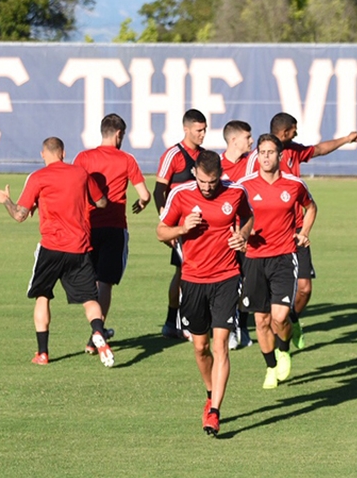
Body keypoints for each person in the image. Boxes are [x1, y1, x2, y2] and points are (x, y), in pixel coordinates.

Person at [0, 137, 115, 368]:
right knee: (90, 299)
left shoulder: (38, 177)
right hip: (80, 247)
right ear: (63, 153)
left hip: (51, 248)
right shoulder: (80, 174)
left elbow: (19, 215)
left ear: (43, 154)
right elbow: (102, 203)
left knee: (43, 295)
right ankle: (98, 332)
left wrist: (6, 200)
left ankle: (43, 353)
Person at [157, 151, 254, 436]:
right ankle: (211, 393)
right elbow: (160, 232)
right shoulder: (181, 195)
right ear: (195, 175)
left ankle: (214, 412)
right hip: (192, 279)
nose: (207, 187)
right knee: (200, 347)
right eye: (202, 181)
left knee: (220, 344)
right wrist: (181, 227)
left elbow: (248, 217)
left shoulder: (236, 192)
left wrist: (244, 235)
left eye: (212, 182)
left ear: (220, 175)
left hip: (226, 277)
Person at [247, 112, 357, 348]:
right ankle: (275, 343)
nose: (297, 133)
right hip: (263, 238)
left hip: (295, 231)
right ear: (285, 131)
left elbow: (319, 149)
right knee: (263, 311)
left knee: (305, 289)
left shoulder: (295, 151)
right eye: (294, 129)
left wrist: (345, 140)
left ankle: (292, 320)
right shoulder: (257, 160)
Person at [238, 134, 316, 389]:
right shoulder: (245, 185)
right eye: (262, 152)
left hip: (283, 257)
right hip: (254, 259)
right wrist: (240, 235)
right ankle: (270, 366)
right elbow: (233, 216)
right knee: (261, 320)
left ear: (280, 156)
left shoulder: (294, 185)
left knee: (280, 317)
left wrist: (303, 233)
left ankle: (284, 348)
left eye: (271, 152)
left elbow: (311, 207)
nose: (266, 157)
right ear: (257, 155)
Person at [73, 114, 152, 354]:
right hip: (115, 227)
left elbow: (74, 188)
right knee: (105, 282)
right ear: (118, 134)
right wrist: (141, 203)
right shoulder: (126, 159)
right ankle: (96, 332)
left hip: (87, 226)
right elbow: (145, 194)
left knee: (90, 280)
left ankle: (95, 330)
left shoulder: (83, 158)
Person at [154, 109, 207, 340]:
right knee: (185, 272)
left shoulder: (205, 157)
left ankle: (177, 321)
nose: (203, 134)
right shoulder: (173, 155)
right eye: (198, 130)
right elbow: (159, 191)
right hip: (180, 227)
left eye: (204, 129)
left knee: (193, 271)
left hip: (202, 227)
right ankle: (181, 321)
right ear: (186, 129)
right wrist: (167, 225)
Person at [220, 120, 256, 349]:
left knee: (249, 285)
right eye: (247, 137)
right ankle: (232, 328)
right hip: (225, 235)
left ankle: (241, 326)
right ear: (234, 140)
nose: (251, 141)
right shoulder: (215, 165)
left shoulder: (252, 162)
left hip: (250, 232)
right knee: (230, 283)